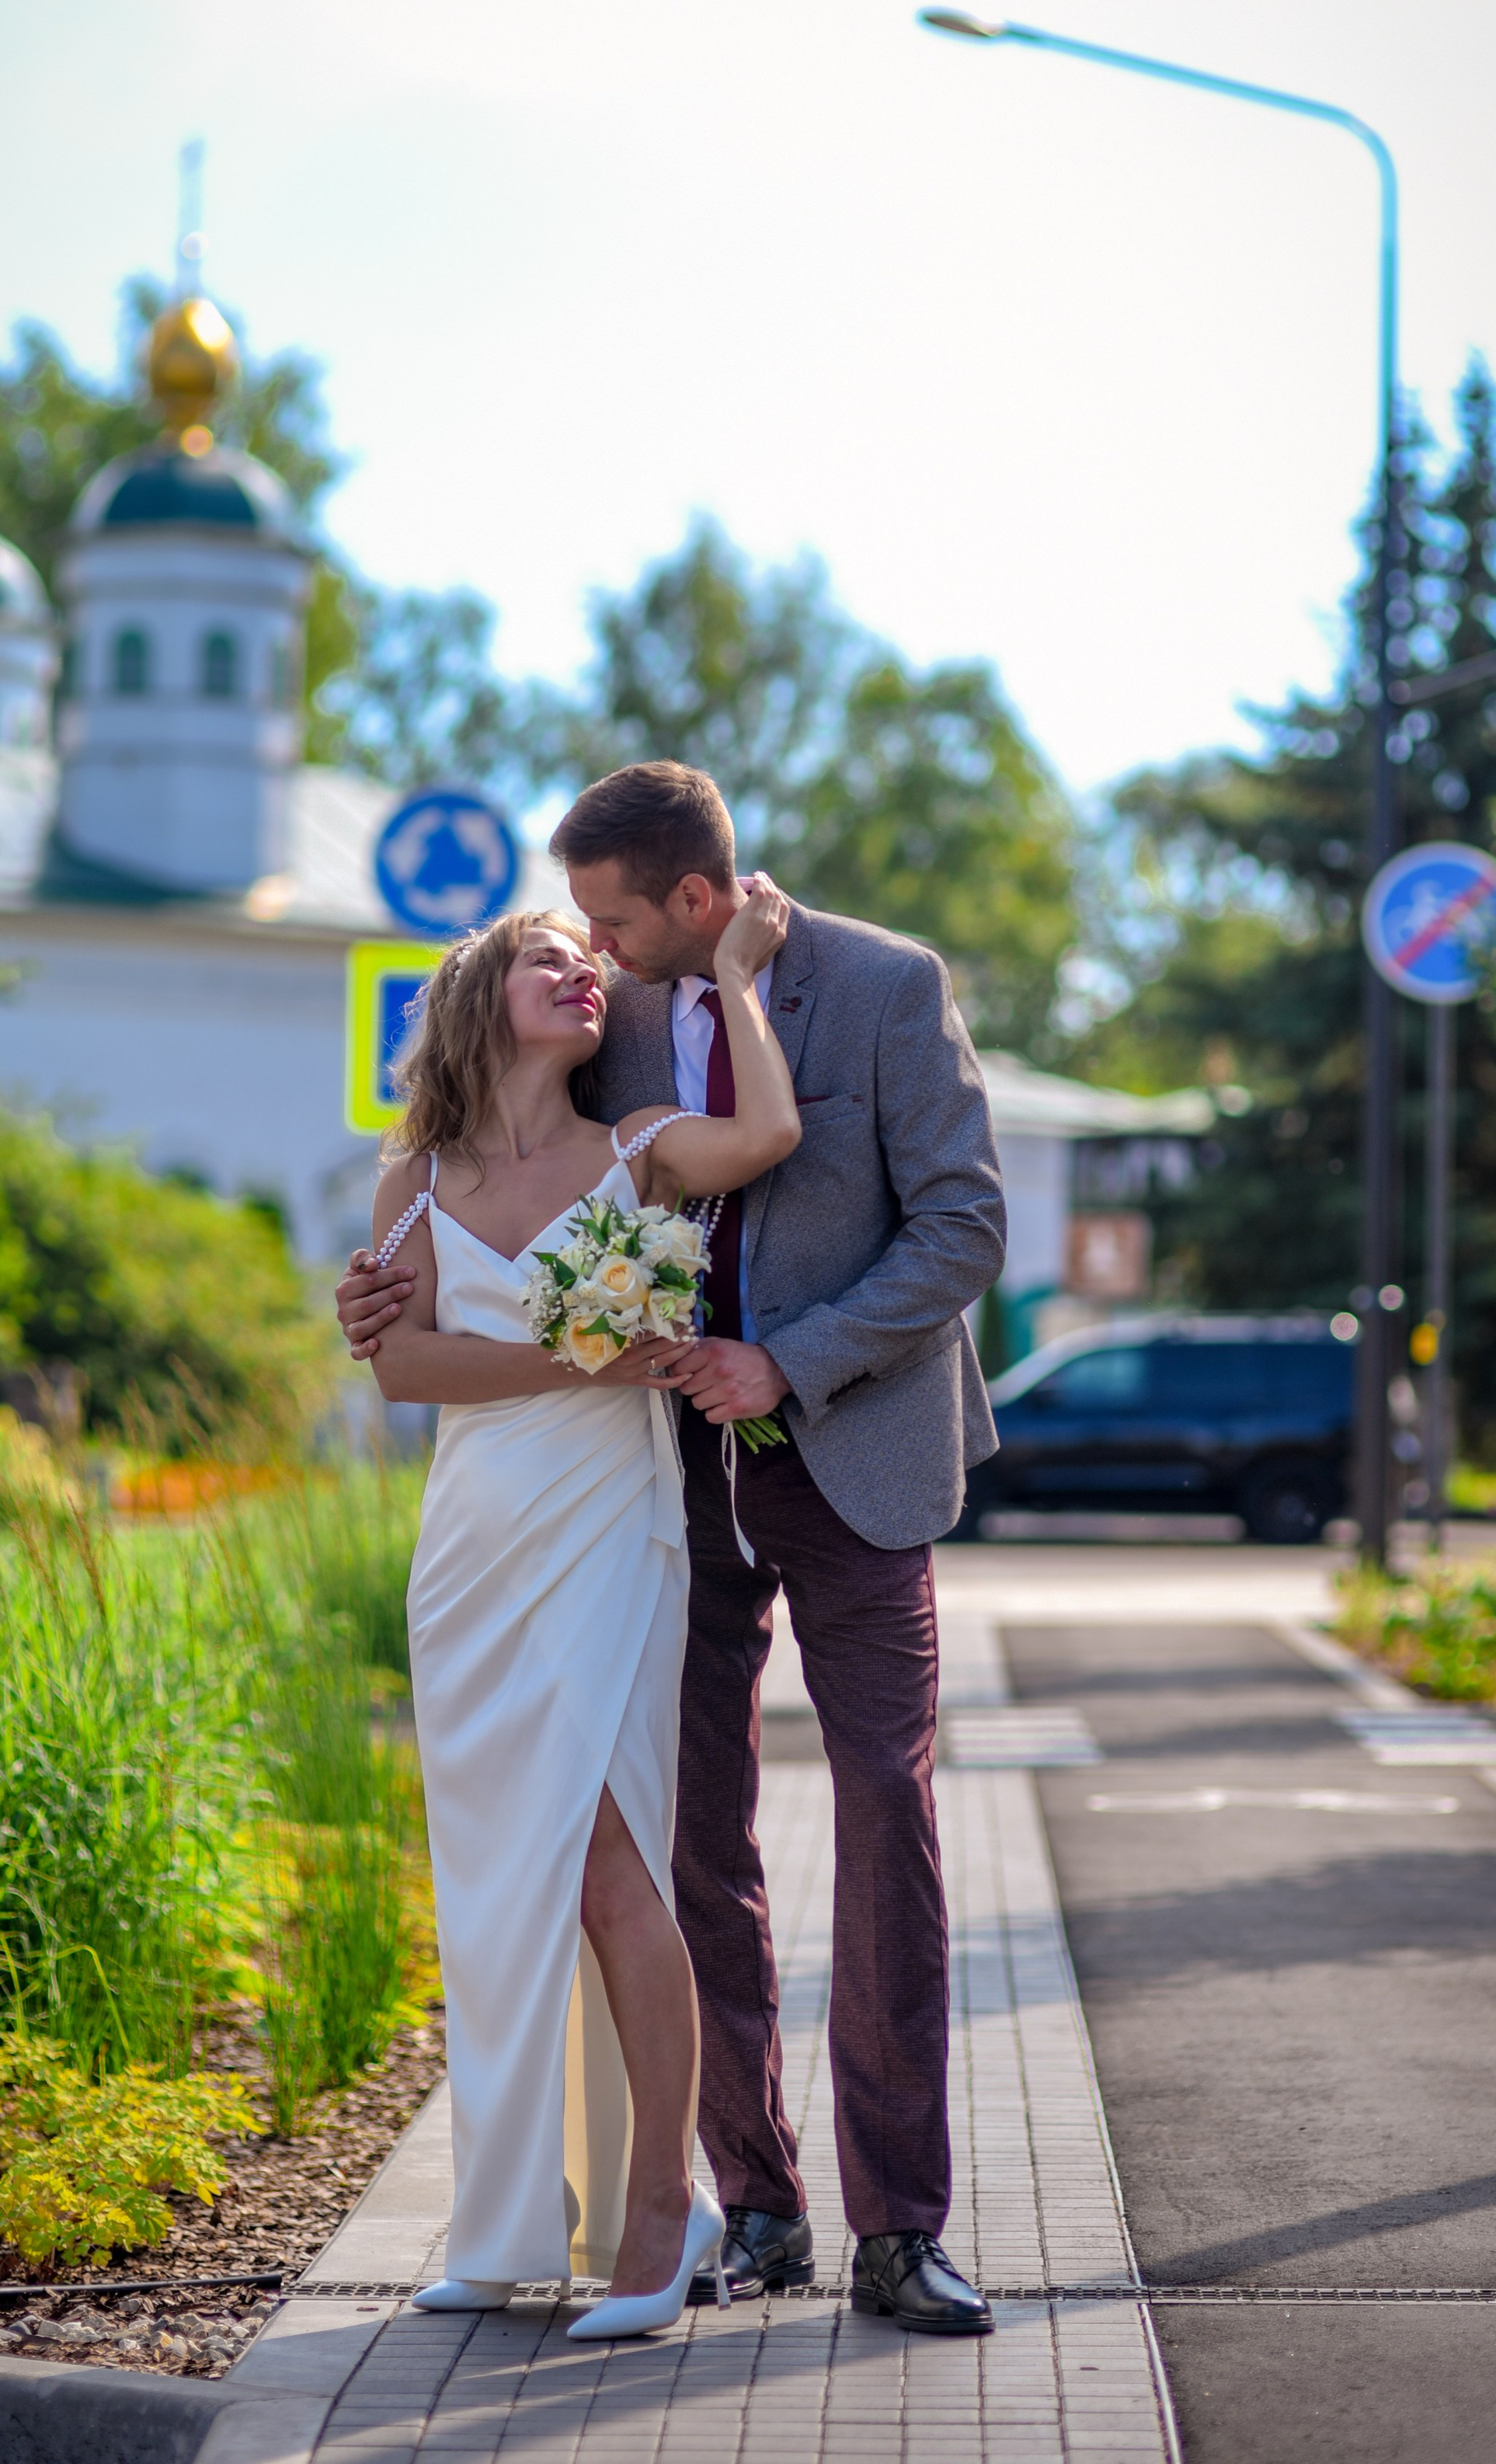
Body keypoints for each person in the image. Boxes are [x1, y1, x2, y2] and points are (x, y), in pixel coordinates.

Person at [339, 763, 1007, 2339]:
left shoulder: (887, 986)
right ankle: (745, 2200)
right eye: (576, 930)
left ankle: (900, 2226)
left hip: (848, 1450)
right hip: (647, 1476)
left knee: (881, 1814)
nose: (596, 948)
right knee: (685, 1835)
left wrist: (791, 1359)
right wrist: (380, 1297)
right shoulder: (607, 1011)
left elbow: (961, 1229)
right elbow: (476, 1180)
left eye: (617, 920)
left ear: (696, 902)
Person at [360, 886, 801, 2342]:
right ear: (482, 995)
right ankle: (499, 2228)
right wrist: (585, 1356)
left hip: (612, 1535)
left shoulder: (637, 1151)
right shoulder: (412, 1175)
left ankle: (658, 2217)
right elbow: (407, 1372)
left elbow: (768, 1140)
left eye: (589, 960)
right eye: (550, 959)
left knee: (612, 1859)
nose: (584, 975)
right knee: (492, 1882)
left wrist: (736, 975)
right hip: (473, 1550)